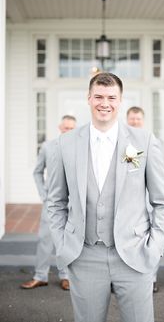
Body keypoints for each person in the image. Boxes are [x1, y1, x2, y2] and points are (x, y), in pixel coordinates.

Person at [47, 72, 164, 322]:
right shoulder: (65, 143)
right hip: (84, 255)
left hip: (135, 255)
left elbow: (162, 202)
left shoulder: (144, 141)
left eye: (112, 97)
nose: (105, 103)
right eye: (99, 97)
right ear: (89, 98)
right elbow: (55, 201)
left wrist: (154, 247)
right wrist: (63, 243)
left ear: (121, 100)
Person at [20, 115, 77, 290]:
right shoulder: (47, 146)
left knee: (68, 240)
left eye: (71, 128)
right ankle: (40, 276)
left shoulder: (80, 147)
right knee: (45, 238)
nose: (68, 130)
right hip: (51, 201)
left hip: (73, 203)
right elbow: (37, 172)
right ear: (60, 127)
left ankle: (66, 276)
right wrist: (43, 194)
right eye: (65, 127)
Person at [127, 106, 159, 293]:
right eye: (132, 119)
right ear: (127, 119)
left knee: (150, 240)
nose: (135, 122)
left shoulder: (151, 140)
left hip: (148, 198)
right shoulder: (121, 141)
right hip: (130, 201)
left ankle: (152, 278)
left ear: (143, 120)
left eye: (138, 119)